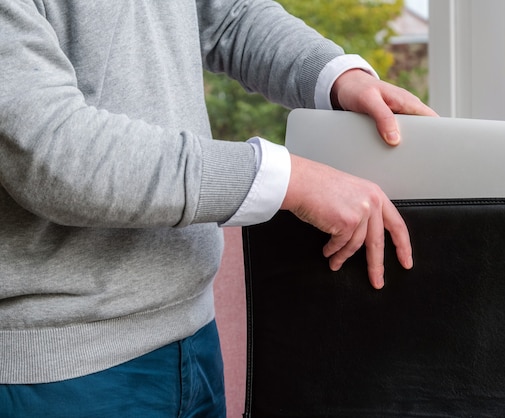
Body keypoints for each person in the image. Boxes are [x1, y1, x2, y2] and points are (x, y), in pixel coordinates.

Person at [0, 1, 437, 417]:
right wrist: (288, 180)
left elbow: (227, 13)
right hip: (58, 371)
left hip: (194, 337)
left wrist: (338, 75)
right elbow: (53, 150)